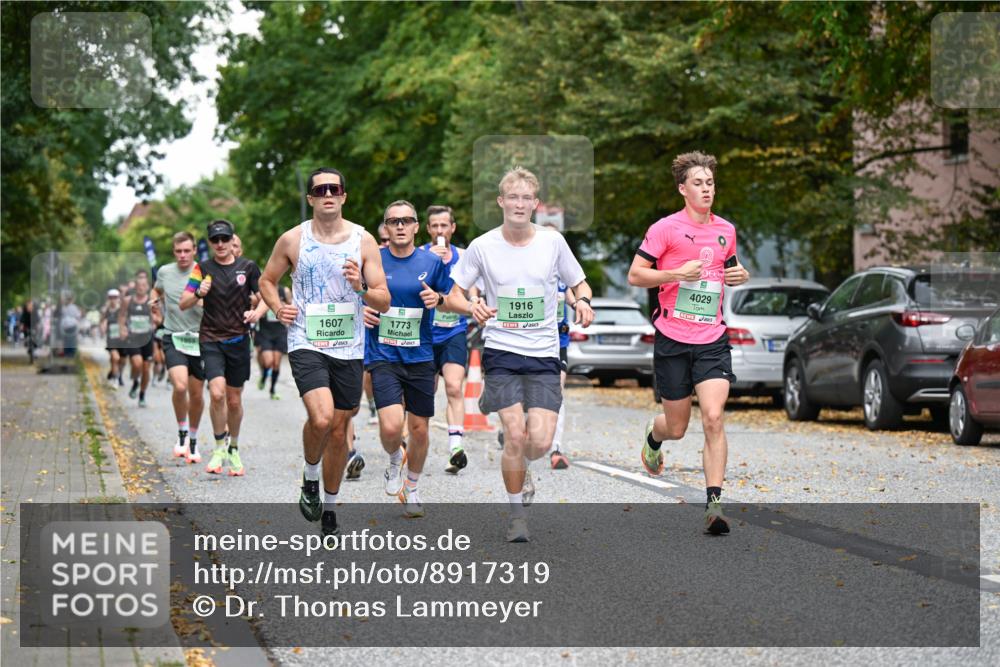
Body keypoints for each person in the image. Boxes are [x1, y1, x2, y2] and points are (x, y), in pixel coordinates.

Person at [444, 166, 594, 542]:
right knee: (514, 433)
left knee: (539, 441)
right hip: (502, 351)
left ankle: (523, 465)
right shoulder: (482, 246)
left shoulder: (552, 242)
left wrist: (585, 301)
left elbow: (578, 281)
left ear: (536, 204)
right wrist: (470, 308)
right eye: (513, 197)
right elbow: (452, 295)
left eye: (527, 198)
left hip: (543, 352)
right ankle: (516, 517)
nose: (520, 204)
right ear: (501, 201)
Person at [259, 168, 390, 536]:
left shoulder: (363, 241)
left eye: (334, 189)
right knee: (321, 418)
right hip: (306, 340)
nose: (328, 194)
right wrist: (276, 307)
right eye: (321, 190)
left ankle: (329, 507)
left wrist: (361, 286)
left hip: (348, 345)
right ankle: (310, 475)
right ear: (311, 198)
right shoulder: (292, 240)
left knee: (338, 429)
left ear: (344, 196)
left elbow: (384, 297)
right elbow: (267, 281)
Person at [626, 150, 750, 535]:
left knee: (713, 417)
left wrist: (738, 274)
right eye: (698, 183)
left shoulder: (726, 230)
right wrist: (676, 272)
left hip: (712, 337)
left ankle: (714, 504)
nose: (706, 188)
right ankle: (654, 435)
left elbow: (729, 269)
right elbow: (635, 275)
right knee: (677, 427)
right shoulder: (665, 228)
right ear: (683, 189)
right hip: (673, 338)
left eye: (710, 182)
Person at [363, 200, 453, 519]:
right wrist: (362, 308)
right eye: (393, 221)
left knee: (420, 430)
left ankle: (412, 487)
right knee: (390, 427)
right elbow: (351, 294)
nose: (400, 226)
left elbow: (452, 298)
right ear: (386, 228)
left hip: (420, 357)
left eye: (406, 221)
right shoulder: (372, 261)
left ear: (417, 227)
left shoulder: (432, 262)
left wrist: (439, 299)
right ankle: (393, 459)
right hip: (383, 354)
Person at [180, 219, 267, 477]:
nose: (220, 244)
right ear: (210, 243)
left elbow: (267, 296)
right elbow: (183, 303)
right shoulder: (202, 268)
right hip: (210, 339)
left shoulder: (248, 267)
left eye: (224, 239)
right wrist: (198, 293)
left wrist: (257, 313)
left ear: (232, 241)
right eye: (215, 240)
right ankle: (219, 446)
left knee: (234, 399)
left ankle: (234, 447)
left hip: (239, 341)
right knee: (216, 394)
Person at [420, 205, 480, 474]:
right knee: (425, 394)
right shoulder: (419, 255)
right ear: (428, 229)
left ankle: (456, 448)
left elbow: (471, 290)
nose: (440, 231)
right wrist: (430, 263)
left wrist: (475, 301)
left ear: (452, 228)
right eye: (435, 226)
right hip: (422, 334)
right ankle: (411, 444)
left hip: (453, 331)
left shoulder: (464, 256)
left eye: (444, 225)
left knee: (454, 387)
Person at [153, 232, 206, 463]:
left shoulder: (204, 271)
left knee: (196, 394)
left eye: (187, 250)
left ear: (194, 250)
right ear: (174, 252)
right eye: (178, 251)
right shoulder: (165, 272)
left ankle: (193, 438)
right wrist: (153, 303)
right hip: (173, 336)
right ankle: (182, 432)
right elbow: (157, 291)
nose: (182, 255)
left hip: (200, 339)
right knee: (180, 385)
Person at [120, 269, 156, 406]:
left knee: (146, 369)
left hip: (147, 338)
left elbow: (159, 317)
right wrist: (122, 328)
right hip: (133, 338)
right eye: (139, 285)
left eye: (144, 285)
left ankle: (142, 394)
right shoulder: (128, 301)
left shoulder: (152, 301)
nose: (141, 288)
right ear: (135, 286)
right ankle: (135, 381)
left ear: (147, 286)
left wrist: (155, 320)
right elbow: (122, 316)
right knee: (137, 364)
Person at [256, 283, 291, 400]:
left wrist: (285, 306)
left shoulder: (284, 291)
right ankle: (264, 377)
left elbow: (291, 305)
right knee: (268, 362)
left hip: (280, 332)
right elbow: (255, 306)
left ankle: (272, 390)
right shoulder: (262, 290)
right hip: (265, 332)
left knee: (276, 363)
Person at [100, 290, 125, 387]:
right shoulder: (106, 311)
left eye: (115, 297)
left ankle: (118, 375)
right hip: (111, 339)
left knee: (122, 361)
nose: (113, 300)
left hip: (123, 340)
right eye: (111, 297)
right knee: (115, 358)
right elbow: (102, 322)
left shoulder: (123, 309)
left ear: (118, 298)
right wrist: (103, 327)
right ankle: (115, 379)